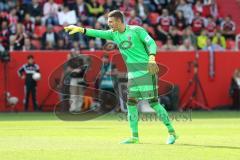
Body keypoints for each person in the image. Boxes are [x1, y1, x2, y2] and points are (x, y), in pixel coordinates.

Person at [64, 10, 177, 144]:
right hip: (133, 75)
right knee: (131, 103)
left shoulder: (136, 30)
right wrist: (81, 29)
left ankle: (172, 133)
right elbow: (98, 33)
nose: (109, 24)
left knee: (153, 103)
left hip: (146, 71)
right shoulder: (114, 34)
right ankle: (134, 137)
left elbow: (151, 43)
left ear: (119, 21)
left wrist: (152, 57)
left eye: (111, 22)